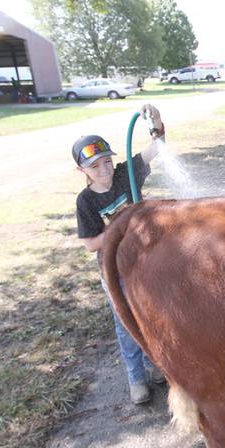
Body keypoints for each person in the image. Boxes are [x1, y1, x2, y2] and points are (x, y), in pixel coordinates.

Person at [73, 103, 167, 404]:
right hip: (115, 272)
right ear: (82, 171)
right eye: (95, 167)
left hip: (143, 263)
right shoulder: (86, 201)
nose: (104, 171)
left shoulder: (127, 174)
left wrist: (156, 119)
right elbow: (90, 244)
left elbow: (158, 148)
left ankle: (155, 366)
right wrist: (121, 226)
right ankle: (135, 378)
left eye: (106, 162)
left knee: (150, 318)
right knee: (127, 323)